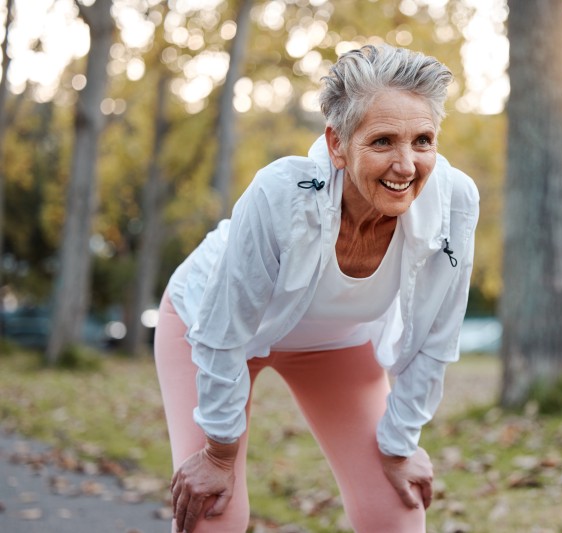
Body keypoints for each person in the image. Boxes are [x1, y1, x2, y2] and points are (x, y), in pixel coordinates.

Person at [154, 43, 480, 533]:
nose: (407, 165)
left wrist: (399, 445)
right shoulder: (281, 195)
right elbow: (223, 329)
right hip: (210, 327)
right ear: (337, 145)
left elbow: (438, 335)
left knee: (397, 510)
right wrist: (218, 454)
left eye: (423, 141)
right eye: (383, 141)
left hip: (334, 342)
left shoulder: (454, 202)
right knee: (213, 515)